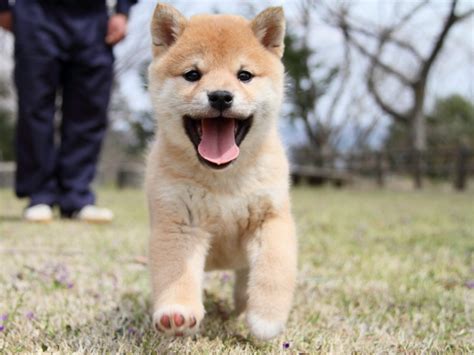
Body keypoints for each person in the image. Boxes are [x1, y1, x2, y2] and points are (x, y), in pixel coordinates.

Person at [0, 0, 137, 223]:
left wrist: (123, 10)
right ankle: (39, 195)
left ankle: (77, 196)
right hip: (35, 13)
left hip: (94, 18)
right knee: (34, 108)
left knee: (89, 109)